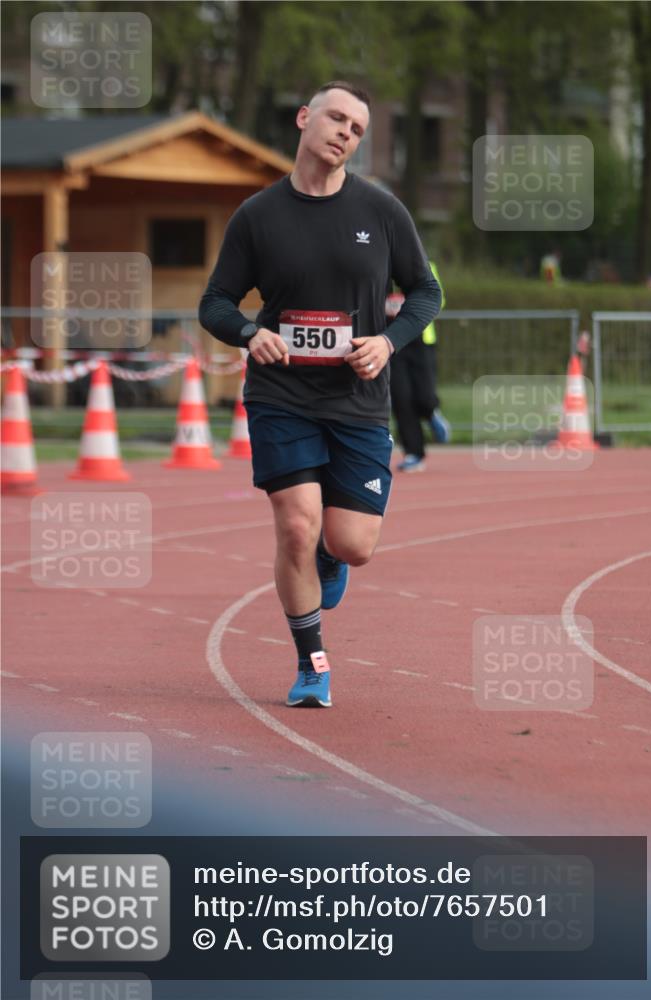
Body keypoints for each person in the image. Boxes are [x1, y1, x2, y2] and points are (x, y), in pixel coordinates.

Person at [199, 81, 441, 708]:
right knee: (295, 525)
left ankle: (331, 558)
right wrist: (251, 334)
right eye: (336, 118)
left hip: (358, 400)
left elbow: (425, 292)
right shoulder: (258, 215)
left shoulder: (383, 212)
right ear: (305, 118)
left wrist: (387, 342)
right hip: (282, 395)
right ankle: (313, 664)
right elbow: (215, 302)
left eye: (357, 129)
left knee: (351, 545)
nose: (345, 133)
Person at [388, 260, 450, 472]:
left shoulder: (425, 263)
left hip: (421, 339)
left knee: (423, 395)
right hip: (389, 341)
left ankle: (431, 412)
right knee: (401, 397)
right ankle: (414, 452)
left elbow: (437, 299)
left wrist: (407, 302)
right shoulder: (375, 261)